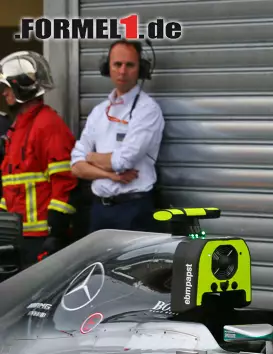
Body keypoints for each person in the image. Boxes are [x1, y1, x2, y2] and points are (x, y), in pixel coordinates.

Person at [71, 39, 164, 233]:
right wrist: (109, 174)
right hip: (99, 211)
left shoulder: (147, 109)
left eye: (129, 65)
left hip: (134, 210)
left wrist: (92, 157)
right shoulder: (99, 112)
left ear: (141, 69)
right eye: (117, 64)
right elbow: (76, 165)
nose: (122, 71)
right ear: (108, 67)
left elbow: (124, 160)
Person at [0, 51, 79, 266]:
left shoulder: (48, 126)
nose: (4, 92)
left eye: (7, 86)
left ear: (21, 87)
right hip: (17, 237)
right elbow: (11, 183)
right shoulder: (16, 129)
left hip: (42, 238)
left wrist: (56, 234)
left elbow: (65, 181)